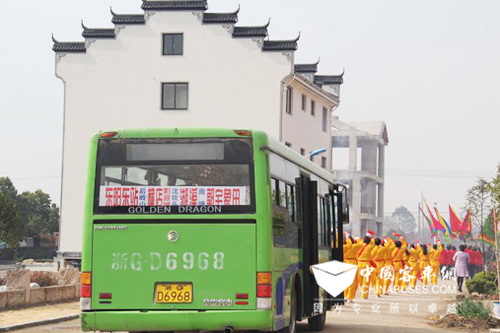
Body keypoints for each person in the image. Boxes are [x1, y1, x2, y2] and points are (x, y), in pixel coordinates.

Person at [344, 234, 362, 302]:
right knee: (352, 282)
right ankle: (349, 297)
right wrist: (358, 239)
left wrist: (347, 238)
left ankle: (345, 295)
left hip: (345, 263)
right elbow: (361, 244)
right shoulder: (355, 246)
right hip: (353, 263)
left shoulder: (344, 246)